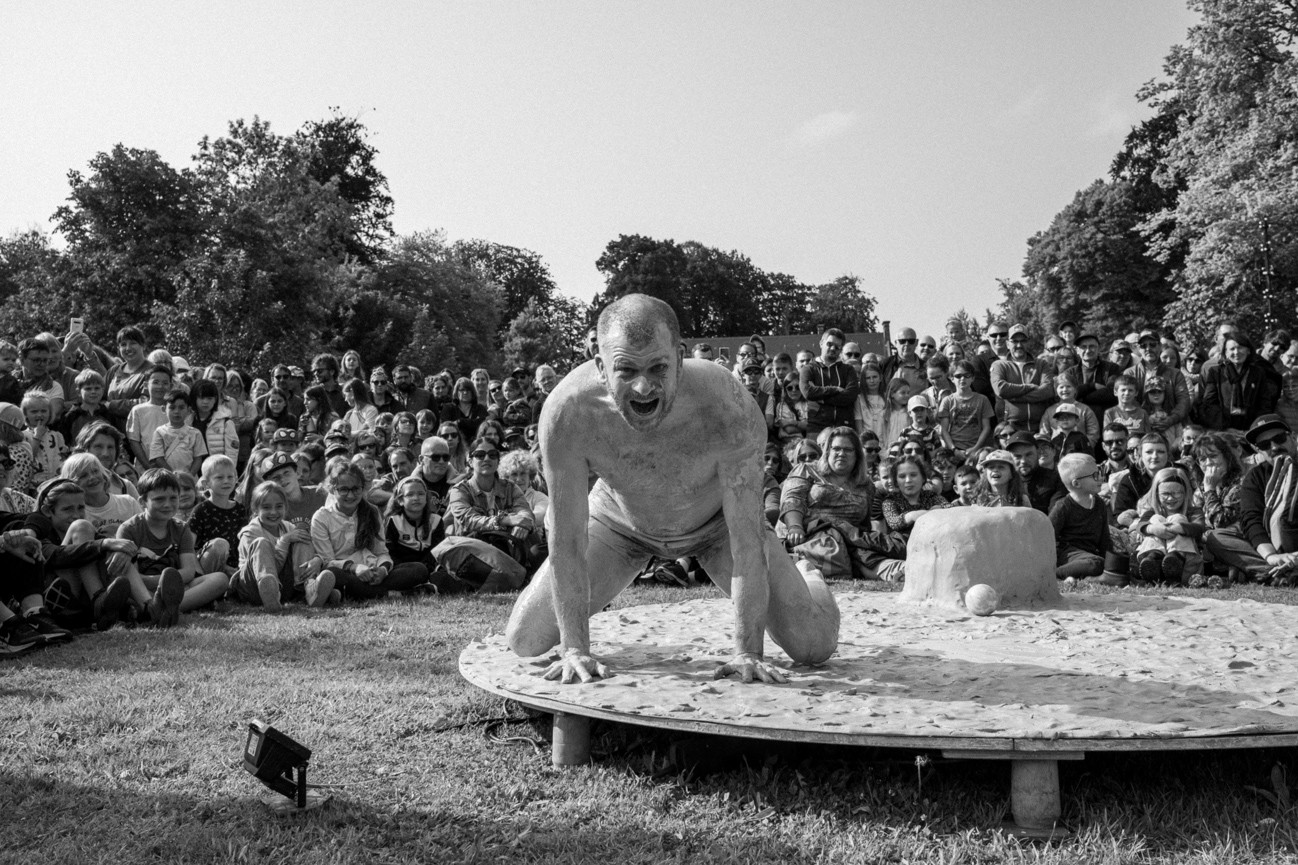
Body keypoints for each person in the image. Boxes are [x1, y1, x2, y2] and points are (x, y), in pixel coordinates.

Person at [506, 293, 840, 685]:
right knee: (525, 638)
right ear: (600, 366)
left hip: (716, 526)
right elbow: (566, 540)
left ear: (680, 359)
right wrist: (576, 649)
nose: (643, 387)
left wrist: (748, 652)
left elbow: (748, 539)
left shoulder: (728, 405)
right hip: (619, 524)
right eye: (626, 370)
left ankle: (807, 574)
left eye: (658, 368)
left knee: (813, 646)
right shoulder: (567, 412)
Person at [779, 426, 903, 581]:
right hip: (809, 536)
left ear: (857, 455)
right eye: (836, 448)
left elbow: (866, 523)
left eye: (848, 450)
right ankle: (791, 561)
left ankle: (903, 571)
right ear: (827, 451)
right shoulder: (807, 470)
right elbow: (792, 499)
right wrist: (795, 527)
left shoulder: (866, 486)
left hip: (850, 540)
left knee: (869, 557)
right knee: (835, 551)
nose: (841, 453)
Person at [117, 468, 230, 626]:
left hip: (175, 588)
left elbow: (189, 572)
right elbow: (133, 576)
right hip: (143, 591)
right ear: (142, 502)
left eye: (173, 498)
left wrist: (168, 585)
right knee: (129, 586)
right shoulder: (129, 529)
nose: (167, 504)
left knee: (220, 579)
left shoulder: (181, 528)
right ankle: (154, 607)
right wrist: (160, 583)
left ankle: (160, 610)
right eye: (159, 499)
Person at [311, 458, 429, 599]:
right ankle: (391, 593)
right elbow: (327, 561)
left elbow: (381, 552)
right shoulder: (322, 517)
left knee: (419, 569)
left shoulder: (371, 511)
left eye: (356, 489)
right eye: (343, 490)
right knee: (332, 574)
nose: (350, 495)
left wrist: (383, 569)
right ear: (331, 489)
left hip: (373, 571)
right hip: (346, 572)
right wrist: (354, 568)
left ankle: (358, 593)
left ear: (363, 488)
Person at [1204, 414, 1298, 584]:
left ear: (1292, 437)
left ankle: (1276, 574)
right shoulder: (1255, 476)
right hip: (1273, 549)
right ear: (1258, 450)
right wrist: (1271, 556)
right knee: (1216, 538)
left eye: (1279, 439)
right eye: (1264, 445)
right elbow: (1251, 519)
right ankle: (1281, 572)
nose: (1274, 447)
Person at [234, 481, 336, 611]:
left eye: (279, 506)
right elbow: (270, 567)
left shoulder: (288, 527)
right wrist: (284, 540)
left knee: (301, 536)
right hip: (253, 586)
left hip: (283, 587)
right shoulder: (251, 533)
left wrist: (317, 560)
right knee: (261, 543)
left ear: (285, 507)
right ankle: (270, 593)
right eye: (266, 507)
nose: (273, 512)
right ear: (255, 509)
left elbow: (308, 551)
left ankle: (309, 588)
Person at [1131, 467, 1204, 585]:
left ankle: (1175, 559)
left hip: (1186, 567)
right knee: (1156, 519)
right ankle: (1153, 560)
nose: (1170, 498)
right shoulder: (1151, 512)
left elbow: (1199, 528)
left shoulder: (1194, 512)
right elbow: (1141, 525)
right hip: (1156, 570)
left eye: (1177, 493)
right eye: (1165, 494)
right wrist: (1154, 529)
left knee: (1178, 518)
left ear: (1185, 492)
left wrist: (1178, 528)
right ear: (1157, 494)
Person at [1201, 332, 1281, 432]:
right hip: (1223, 429)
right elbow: (1209, 404)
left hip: (1250, 429)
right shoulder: (1216, 372)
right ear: (1226, 352)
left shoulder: (1258, 373)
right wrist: (1226, 428)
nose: (1236, 352)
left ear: (1248, 351)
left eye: (1240, 348)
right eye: (1232, 349)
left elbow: (1264, 404)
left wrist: (1253, 428)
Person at [1049, 453, 1111, 582]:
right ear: (1077, 483)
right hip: (1068, 554)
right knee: (1095, 563)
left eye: (1100, 472)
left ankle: (1084, 576)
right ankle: (1054, 575)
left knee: (1114, 563)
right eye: (1095, 475)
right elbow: (1047, 534)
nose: (1100, 477)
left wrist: (1112, 561)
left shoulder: (1099, 503)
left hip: (1090, 555)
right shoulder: (1063, 506)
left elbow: (1105, 539)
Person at [990, 325, 1055, 432]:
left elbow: (1047, 391)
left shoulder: (1041, 364)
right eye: (1014, 341)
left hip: (1041, 428)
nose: (1019, 345)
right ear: (1007, 344)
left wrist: (1012, 397)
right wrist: (1029, 387)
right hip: (1010, 429)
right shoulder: (999, 365)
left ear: (1028, 342)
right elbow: (1001, 389)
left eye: (1023, 341)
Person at [188, 455, 245, 576]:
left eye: (230, 477)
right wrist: (200, 574)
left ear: (236, 479)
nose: (226, 481)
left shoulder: (240, 509)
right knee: (220, 544)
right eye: (219, 477)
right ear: (206, 483)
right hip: (207, 568)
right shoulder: (201, 510)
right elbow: (187, 546)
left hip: (236, 567)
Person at [799, 328, 860, 438]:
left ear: (841, 349)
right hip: (816, 429)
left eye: (837, 346)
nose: (832, 348)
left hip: (844, 428)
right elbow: (808, 392)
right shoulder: (808, 369)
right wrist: (835, 390)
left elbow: (850, 396)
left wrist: (820, 397)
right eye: (829, 344)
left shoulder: (848, 370)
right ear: (821, 343)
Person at [1005, 432, 1065, 514]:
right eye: (1017, 456)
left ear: (1038, 454)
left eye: (1028, 455)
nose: (1023, 461)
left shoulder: (1056, 480)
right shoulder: (1005, 481)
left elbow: (1055, 515)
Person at [150, 389, 207, 474]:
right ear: (164, 409)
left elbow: (198, 458)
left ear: (188, 410)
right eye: (172, 408)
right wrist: (173, 476)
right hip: (167, 477)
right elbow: (158, 458)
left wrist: (190, 476)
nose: (176, 411)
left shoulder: (195, 433)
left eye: (181, 408)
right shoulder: (160, 432)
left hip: (189, 478)